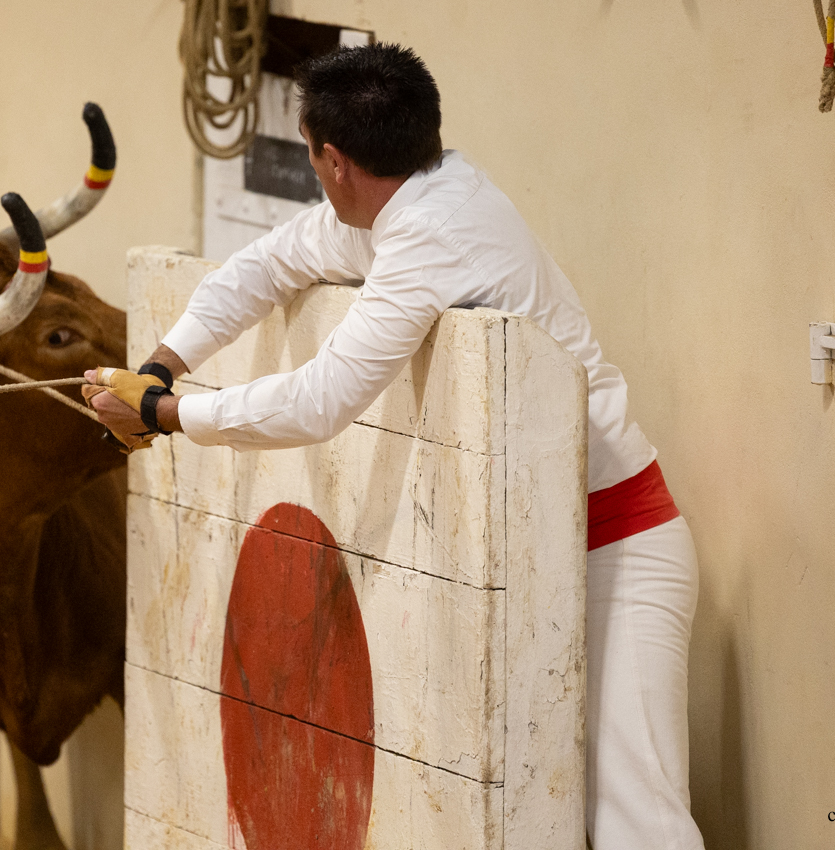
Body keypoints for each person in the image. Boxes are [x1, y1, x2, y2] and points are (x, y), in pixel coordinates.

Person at [83, 43, 704, 850]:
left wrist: (168, 414)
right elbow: (263, 267)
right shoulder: (405, 205)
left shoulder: (432, 234)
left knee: (638, 823)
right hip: (535, 561)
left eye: (310, 155)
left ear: (334, 161)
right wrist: (160, 366)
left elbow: (322, 398)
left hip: (617, 545)